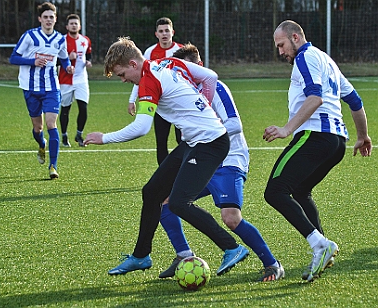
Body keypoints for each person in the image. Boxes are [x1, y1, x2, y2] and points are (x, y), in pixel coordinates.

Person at [84, 37, 249, 277]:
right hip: (194, 141)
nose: (123, 80)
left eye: (121, 74)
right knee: (152, 192)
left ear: (132, 64)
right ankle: (141, 256)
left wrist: (104, 138)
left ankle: (232, 247)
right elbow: (210, 76)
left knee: (180, 203)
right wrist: (206, 103)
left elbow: (141, 127)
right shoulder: (168, 62)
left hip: (210, 143)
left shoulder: (148, 81)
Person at [157, 43, 285, 282]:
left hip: (229, 159)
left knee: (231, 218)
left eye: (189, 68)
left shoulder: (217, 88)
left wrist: (205, 134)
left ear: (200, 66)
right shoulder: (183, 93)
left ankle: (272, 263)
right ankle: (183, 256)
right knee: (165, 201)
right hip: (204, 161)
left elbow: (235, 124)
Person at [263, 20, 372, 282]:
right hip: (337, 143)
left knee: (275, 191)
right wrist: (362, 136)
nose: (280, 52)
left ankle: (320, 245)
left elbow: (315, 97)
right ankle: (322, 247)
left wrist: (287, 129)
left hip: (315, 136)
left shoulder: (305, 58)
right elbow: (355, 101)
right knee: (299, 191)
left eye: (281, 45)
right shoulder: (327, 61)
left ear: (296, 37)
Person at [9, 2, 74, 179]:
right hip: (30, 88)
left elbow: (64, 58)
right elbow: (13, 58)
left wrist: (67, 67)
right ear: (40, 19)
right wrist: (33, 62)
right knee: (38, 128)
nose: (48, 20)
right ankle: (41, 143)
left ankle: (53, 166)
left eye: (51, 17)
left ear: (56, 19)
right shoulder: (30, 36)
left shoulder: (60, 39)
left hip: (52, 88)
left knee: (52, 124)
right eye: (45, 17)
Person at [128, 17, 183, 165]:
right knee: (161, 141)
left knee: (182, 140)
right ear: (156, 34)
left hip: (179, 105)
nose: (164, 34)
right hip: (160, 105)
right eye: (161, 31)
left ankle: (184, 172)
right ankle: (163, 178)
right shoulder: (149, 52)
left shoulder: (181, 51)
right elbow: (141, 77)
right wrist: (132, 100)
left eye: (167, 30)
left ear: (173, 32)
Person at [59, 13, 92, 147]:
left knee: (83, 108)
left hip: (81, 79)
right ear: (67, 26)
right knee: (65, 109)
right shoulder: (61, 40)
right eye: (71, 23)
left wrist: (89, 62)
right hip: (65, 80)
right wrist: (67, 56)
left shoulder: (85, 40)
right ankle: (64, 135)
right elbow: (55, 60)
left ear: (79, 26)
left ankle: (79, 134)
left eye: (76, 23)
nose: (74, 25)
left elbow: (88, 54)